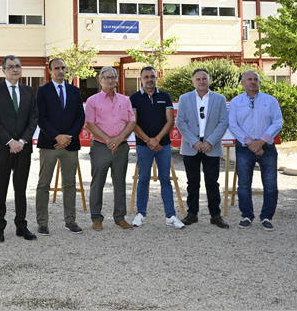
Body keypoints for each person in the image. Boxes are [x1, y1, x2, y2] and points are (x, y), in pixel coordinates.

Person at [0, 55, 39, 242]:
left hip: (23, 148)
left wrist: (22, 141)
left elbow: (33, 118)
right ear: (3, 70)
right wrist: (10, 141)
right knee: (1, 187)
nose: (15, 69)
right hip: (1, 148)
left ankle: (21, 226)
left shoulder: (28, 90)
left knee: (21, 188)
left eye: (17, 66)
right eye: (10, 67)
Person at [129, 66, 185, 229]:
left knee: (165, 179)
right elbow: (133, 123)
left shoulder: (165, 96)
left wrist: (157, 140)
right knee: (143, 179)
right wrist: (148, 140)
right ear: (141, 79)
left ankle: (170, 215)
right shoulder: (134, 98)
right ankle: (141, 214)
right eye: (146, 77)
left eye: (152, 76)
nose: (149, 79)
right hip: (143, 145)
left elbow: (170, 121)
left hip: (163, 145)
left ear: (156, 77)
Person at [34, 58, 86, 235]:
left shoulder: (74, 90)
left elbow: (80, 116)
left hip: (70, 145)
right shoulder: (43, 91)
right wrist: (56, 136)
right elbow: (40, 117)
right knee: (43, 184)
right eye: (57, 68)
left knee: (70, 184)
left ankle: (70, 220)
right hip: (49, 144)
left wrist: (69, 137)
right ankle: (42, 221)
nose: (60, 71)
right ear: (50, 71)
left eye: (63, 67)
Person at [174, 68, 230, 229]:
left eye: (204, 78)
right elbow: (181, 122)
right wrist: (194, 142)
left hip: (211, 146)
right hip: (191, 146)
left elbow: (223, 122)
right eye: (198, 79)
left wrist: (210, 142)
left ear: (209, 80)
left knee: (212, 182)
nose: (201, 81)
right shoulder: (184, 98)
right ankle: (192, 214)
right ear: (193, 81)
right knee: (192, 182)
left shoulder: (219, 99)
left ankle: (215, 216)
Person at [84, 66, 137, 231]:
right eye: (106, 77)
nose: (110, 80)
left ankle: (119, 217)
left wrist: (119, 139)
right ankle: (96, 218)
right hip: (101, 146)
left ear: (116, 80)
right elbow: (89, 124)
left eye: (113, 77)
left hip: (121, 147)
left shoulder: (125, 100)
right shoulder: (93, 100)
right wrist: (109, 141)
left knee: (120, 182)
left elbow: (132, 122)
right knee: (97, 182)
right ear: (100, 80)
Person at [228, 70, 283, 231]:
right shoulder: (236, 102)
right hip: (245, 148)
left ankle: (266, 217)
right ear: (243, 83)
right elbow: (233, 125)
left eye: (255, 79)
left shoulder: (270, 100)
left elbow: (277, 122)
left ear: (259, 82)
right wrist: (250, 143)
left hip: (267, 148)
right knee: (244, 184)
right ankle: (246, 215)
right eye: (249, 79)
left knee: (271, 184)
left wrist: (261, 142)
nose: (252, 82)